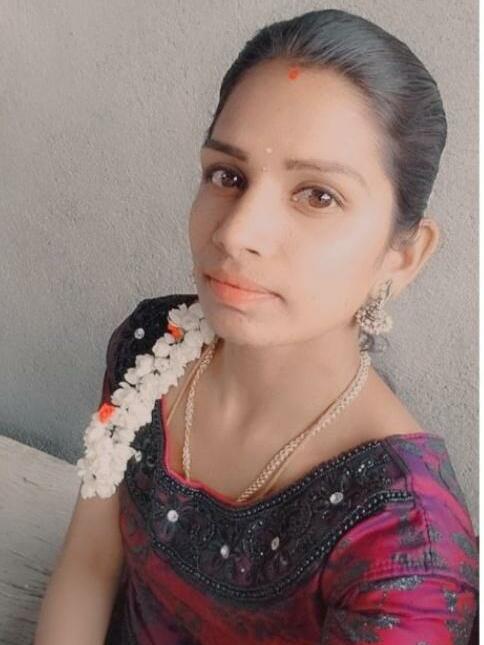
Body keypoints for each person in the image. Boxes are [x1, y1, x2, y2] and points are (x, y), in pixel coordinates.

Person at [35, 8, 478, 644]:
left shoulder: (407, 544)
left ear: (403, 255)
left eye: (318, 195)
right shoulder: (153, 345)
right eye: (229, 176)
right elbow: (89, 566)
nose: (236, 232)